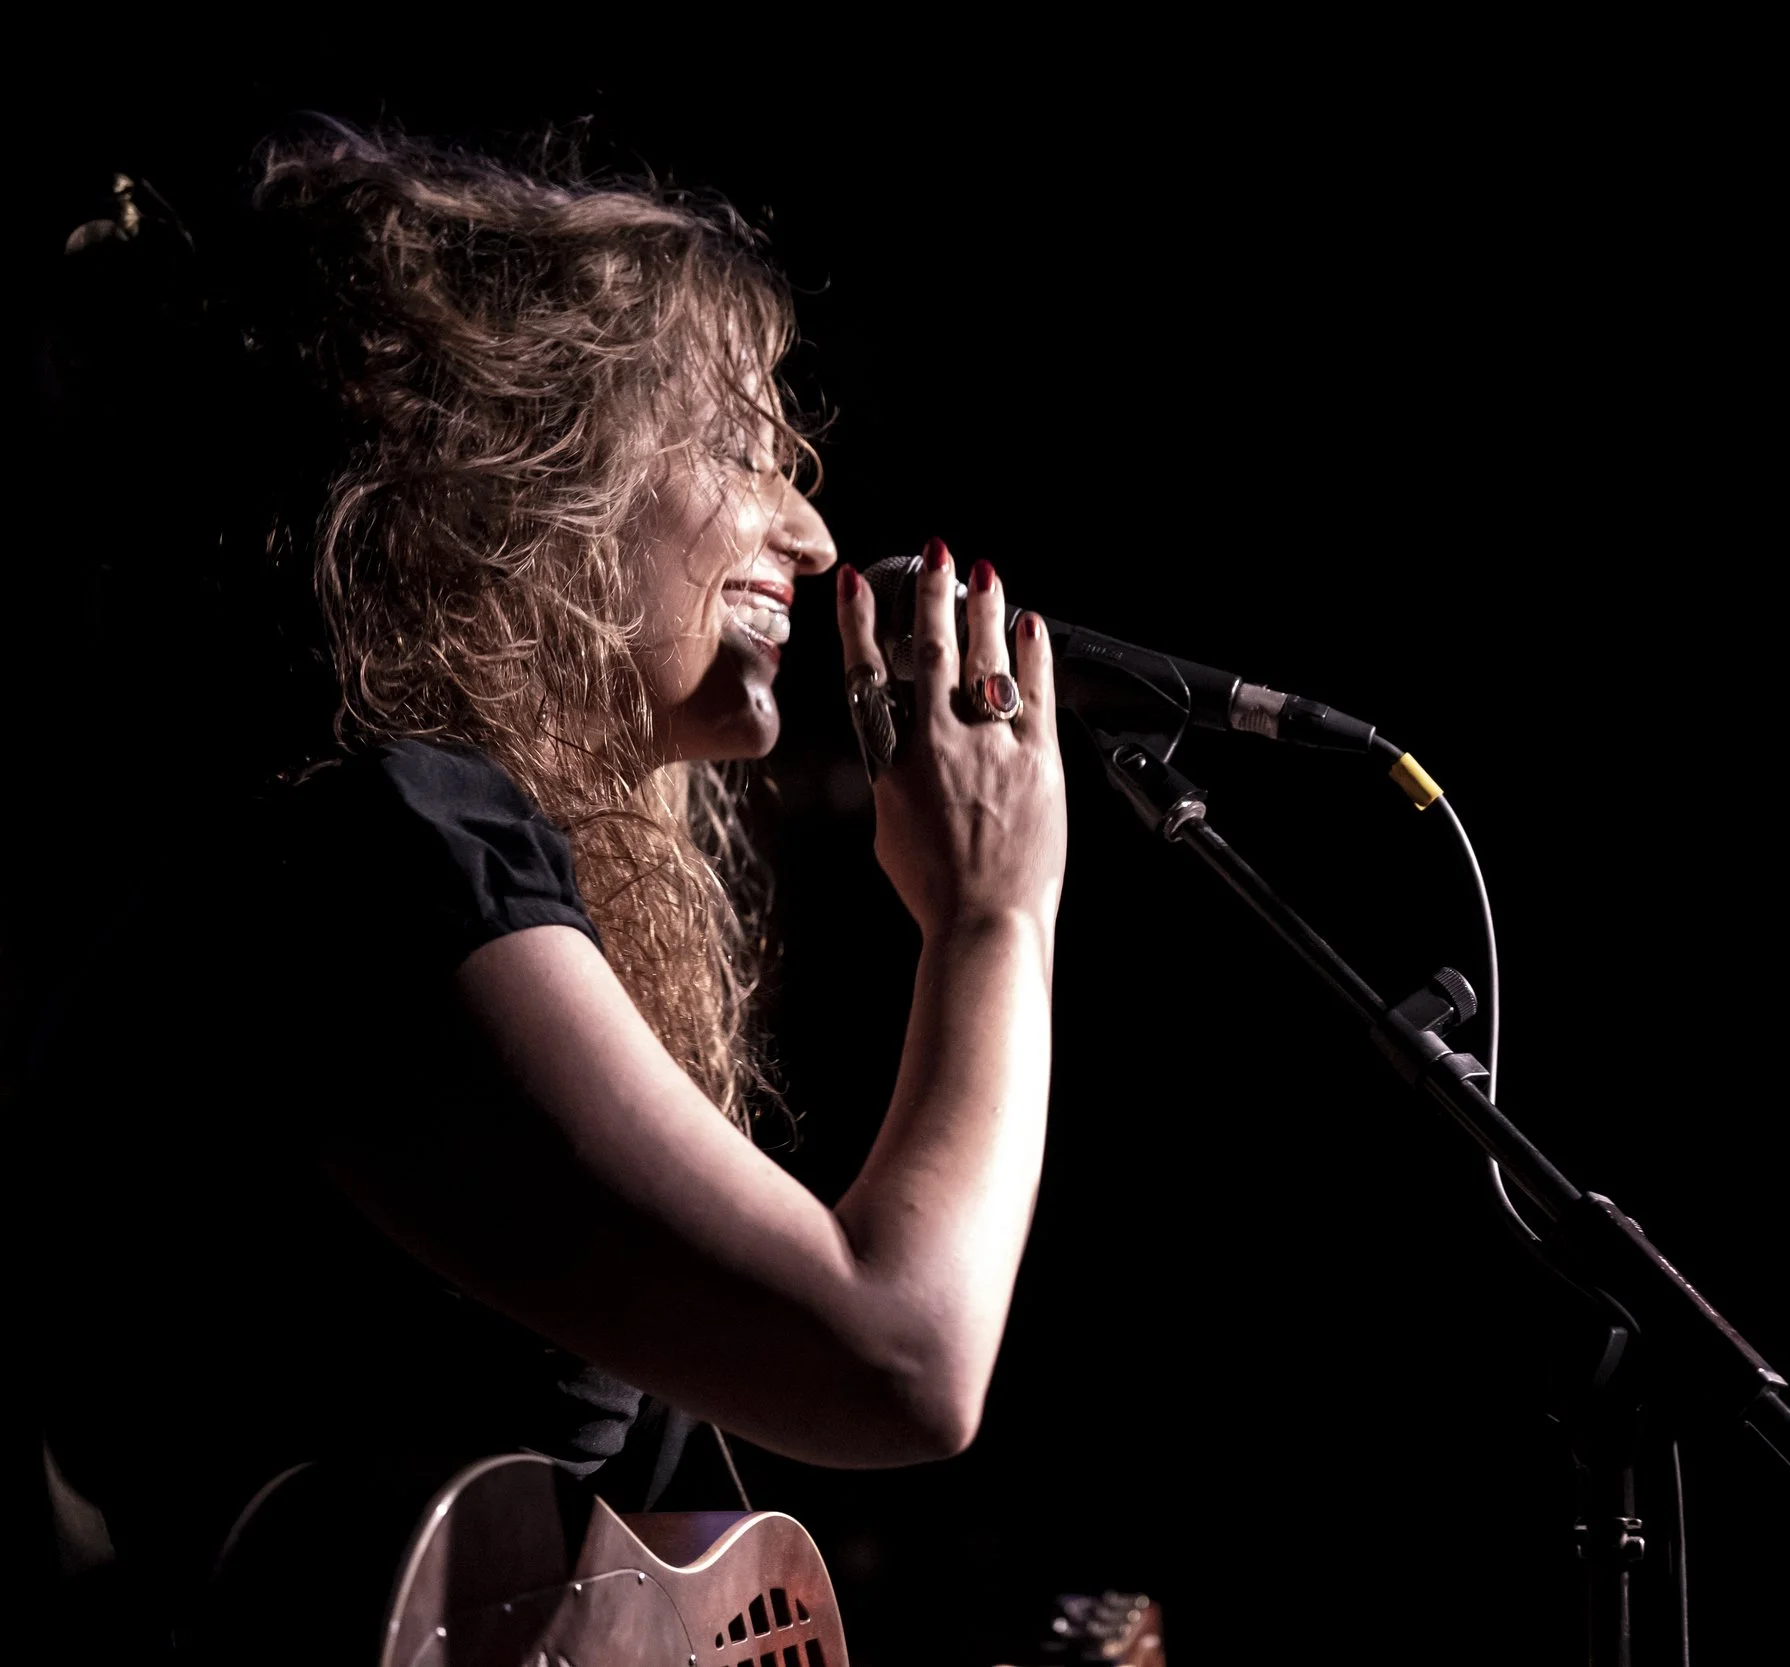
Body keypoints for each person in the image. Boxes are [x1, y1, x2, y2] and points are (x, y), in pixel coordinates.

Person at [18, 120, 1067, 1649]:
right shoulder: (390, 855)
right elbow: (900, 1355)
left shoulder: (428, 849)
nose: (814, 530)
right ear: (523, 481)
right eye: (737, 444)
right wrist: (993, 915)